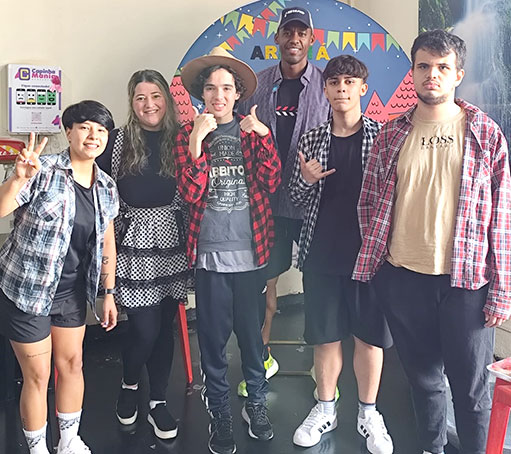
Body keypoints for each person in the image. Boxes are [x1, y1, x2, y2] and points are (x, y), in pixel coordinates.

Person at [353, 29, 511, 454]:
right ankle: (432, 447)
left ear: (458, 74)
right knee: (423, 381)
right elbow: (369, 201)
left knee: (471, 390)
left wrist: (502, 290)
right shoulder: (391, 134)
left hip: (467, 285)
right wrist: (380, 265)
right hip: (404, 279)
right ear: (413, 72)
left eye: (442, 67)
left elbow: (503, 217)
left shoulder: (486, 133)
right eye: (423, 66)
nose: (432, 75)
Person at [174, 47, 281, 454]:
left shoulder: (252, 132)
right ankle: (218, 410)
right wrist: (196, 143)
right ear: (202, 94)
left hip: (250, 255)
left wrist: (264, 136)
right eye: (210, 88)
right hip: (210, 258)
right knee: (213, 341)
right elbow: (190, 192)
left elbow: (272, 181)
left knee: (252, 340)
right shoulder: (189, 134)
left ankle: (256, 403)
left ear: (237, 94)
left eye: (226, 88)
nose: (218, 96)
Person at [0, 100, 119, 454]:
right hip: (27, 290)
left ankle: (69, 440)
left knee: (72, 364)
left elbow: (107, 240)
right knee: (37, 376)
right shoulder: (42, 169)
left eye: (101, 130)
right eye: (84, 127)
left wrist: (108, 292)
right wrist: (18, 178)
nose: (93, 136)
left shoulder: (106, 186)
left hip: (71, 293)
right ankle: (37, 448)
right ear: (68, 132)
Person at [288, 55, 393, 453]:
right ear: (325, 89)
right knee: (325, 336)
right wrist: (305, 179)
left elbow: (394, 197)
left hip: (369, 254)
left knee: (369, 337)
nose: (341, 89)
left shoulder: (382, 137)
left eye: (349, 82)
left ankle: (369, 413)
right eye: (334, 82)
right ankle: (325, 408)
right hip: (321, 252)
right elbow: (295, 198)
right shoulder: (312, 139)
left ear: (362, 88)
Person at [237, 6, 330, 396]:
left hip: (314, 203)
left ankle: (323, 368)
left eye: (301, 33)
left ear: (311, 39)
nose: (294, 39)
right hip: (267, 204)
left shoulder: (328, 85)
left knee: (320, 286)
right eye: (287, 32)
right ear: (276, 38)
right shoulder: (256, 85)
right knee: (263, 284)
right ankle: (261, 359)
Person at [96, 69, 192, 440]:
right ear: (132, 103)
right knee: (144, 329)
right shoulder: (116, 141)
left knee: (164, 327)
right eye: (140, 97)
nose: (148, 104)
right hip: (132, 245)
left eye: (155, 96)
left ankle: (157, 401)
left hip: (173, 242)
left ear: (166, 99)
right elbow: (90, 179)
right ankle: (130, 384)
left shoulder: (182, 138)